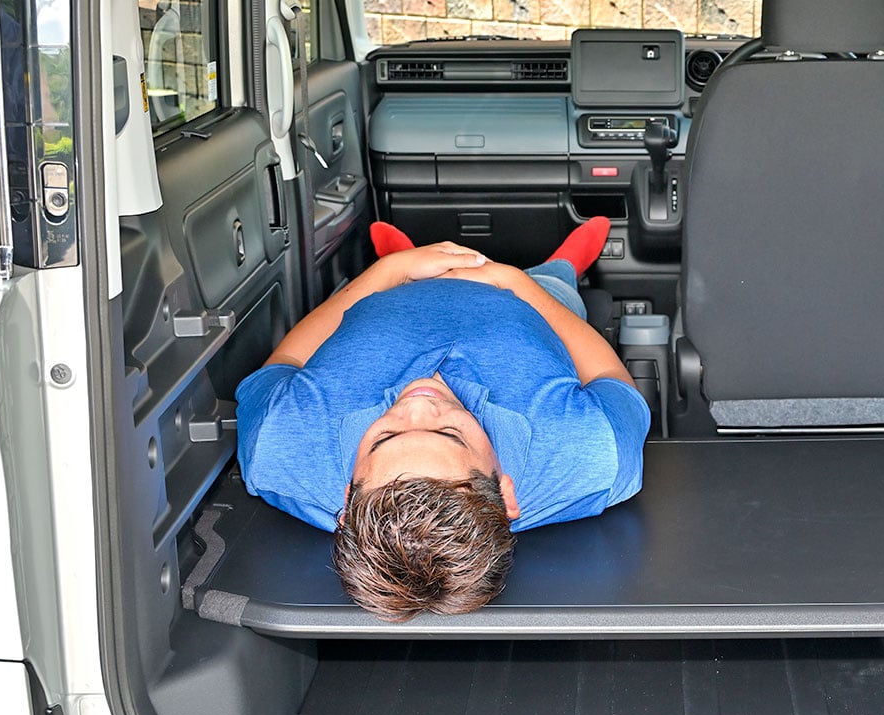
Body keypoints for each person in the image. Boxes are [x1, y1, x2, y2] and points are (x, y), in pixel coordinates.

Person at [235, 218, 649, 621]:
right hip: (523, 302)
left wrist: (390, 271)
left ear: (346, 501)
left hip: (387, 294)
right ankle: (563, 265)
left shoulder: (278, 448)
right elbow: (609, 378)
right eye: (450, 432)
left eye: (384, 437)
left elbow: (286, 362)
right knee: (558, 285)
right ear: (506, 495)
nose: (418, 404)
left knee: (384, 271)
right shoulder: (592, 455)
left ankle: (400, 252)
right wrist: (515, 283)